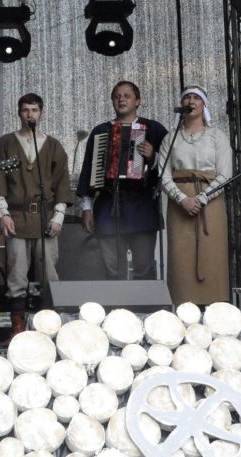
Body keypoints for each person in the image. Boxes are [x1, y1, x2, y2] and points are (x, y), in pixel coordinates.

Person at [0, 93, 75, 336]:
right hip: (16, 217)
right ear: (19, 113)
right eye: (26, 110)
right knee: (16, 274)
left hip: (45, 218)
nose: (30, 114)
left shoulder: (53, 145)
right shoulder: (5, 143)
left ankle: (50, 324)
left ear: (41, 113)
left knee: (49, 273)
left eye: (35, 110)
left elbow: (61, 183)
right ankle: (17, 324)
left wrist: (58, 216)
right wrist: (2, 213)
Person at [76, 81, 168, 280]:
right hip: (108, 206)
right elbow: (88, 171)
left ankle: (144, 301)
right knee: (112, 270)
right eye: (117, 96)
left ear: (138, 101)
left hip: (142, 207)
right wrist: (86, 208)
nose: (121, 99)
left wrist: (154, 156)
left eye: (127, 96)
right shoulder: (101, 131)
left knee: (144, 269)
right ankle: (115, 301)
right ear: (112, 101)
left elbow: (172, 165)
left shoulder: (154, 129)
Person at [159, 85, 232, 305]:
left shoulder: (217, 136)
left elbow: (225, 174)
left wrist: (202, 198)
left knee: (212, 257)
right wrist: (182, 199)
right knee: (180, 260)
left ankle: (215, 310)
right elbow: (163, 174)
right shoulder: (171, 138)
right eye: (187, 98)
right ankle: (182, 309)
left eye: (196, 98)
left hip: (211, 204)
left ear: (204, 104)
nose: (191, 101)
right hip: (179, 205)